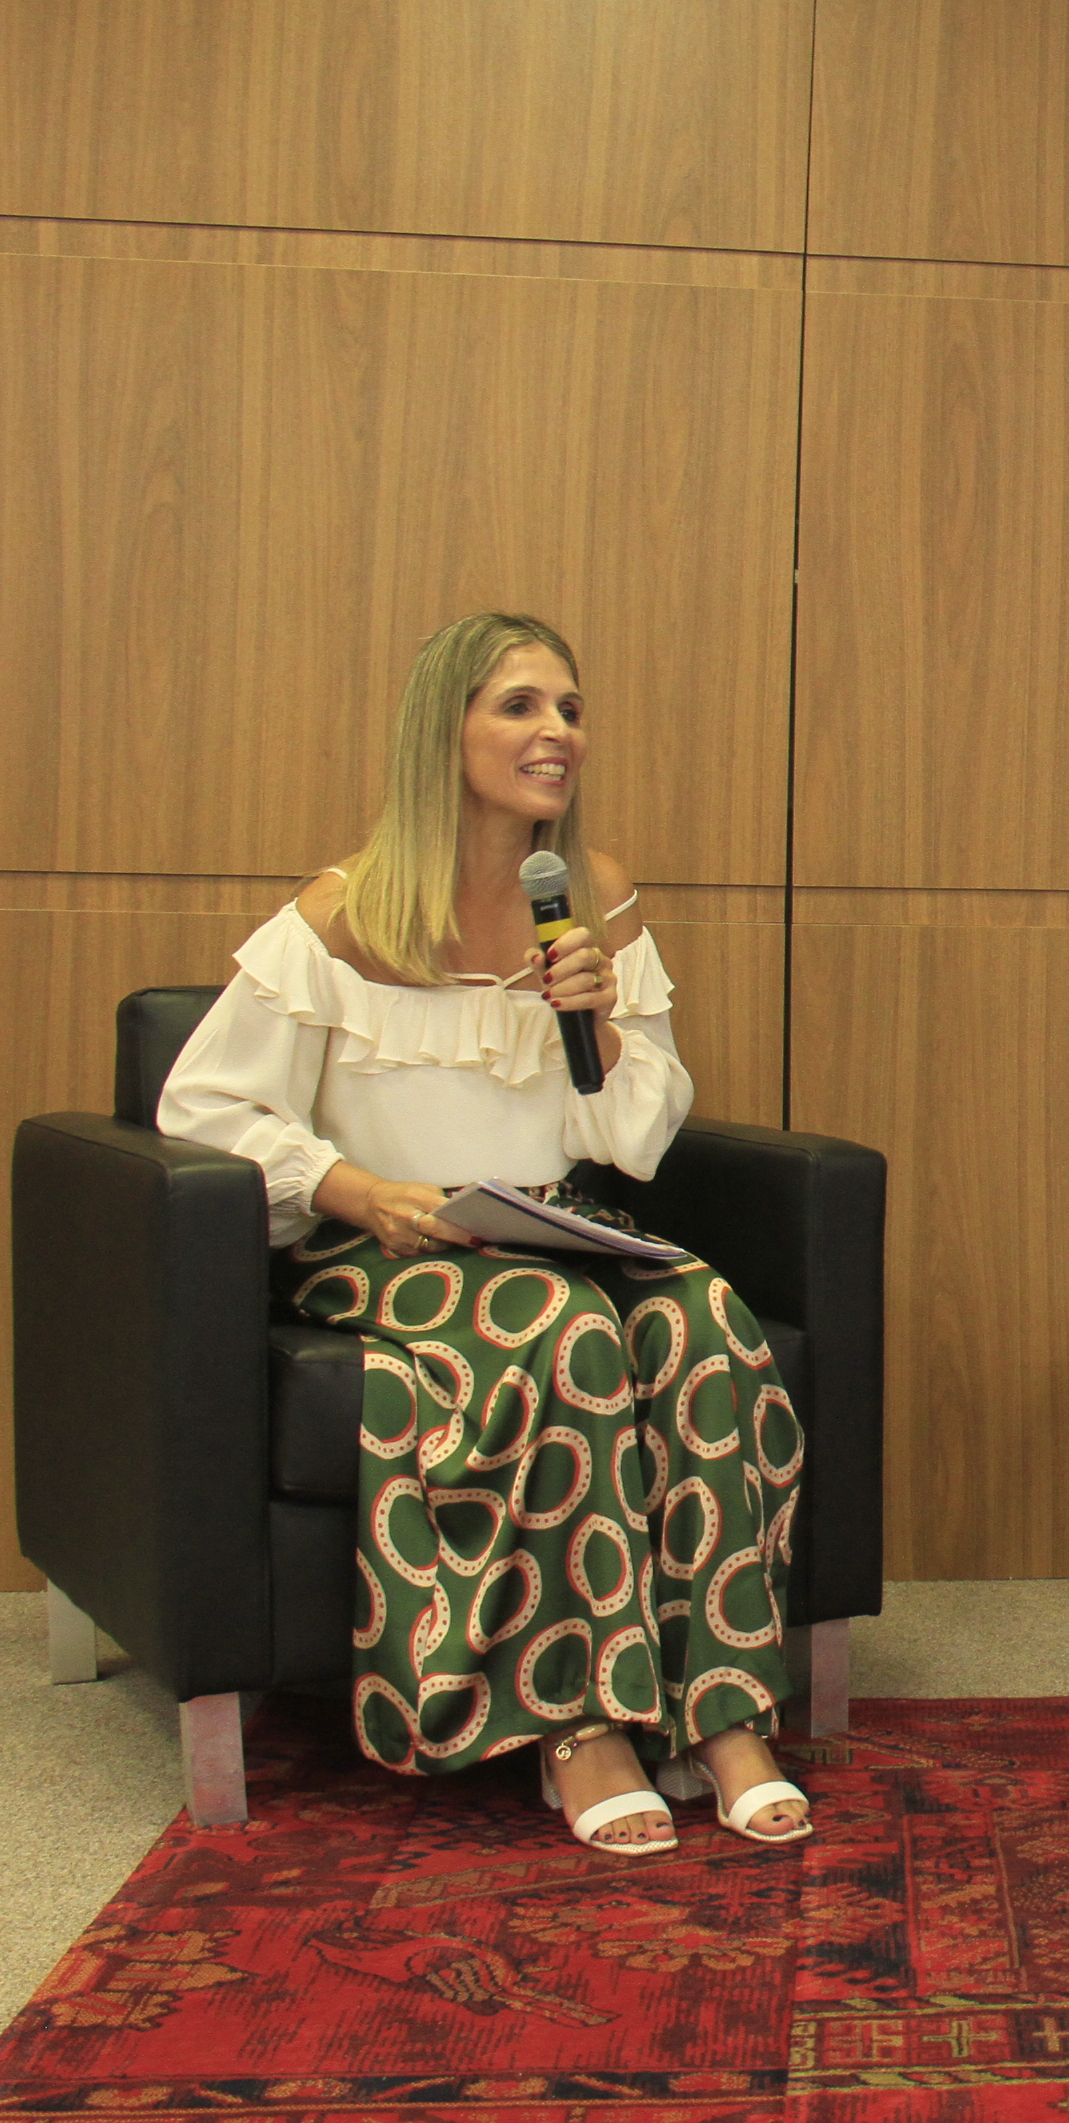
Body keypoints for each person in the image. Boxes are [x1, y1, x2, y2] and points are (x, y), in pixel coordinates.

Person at [158, 613, 815, 1856]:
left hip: (553, 1226)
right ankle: (578, 1727)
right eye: (520, 705)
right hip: (389, 1245)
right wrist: (351, 1189)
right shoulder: (342, 911)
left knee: (703, 1315)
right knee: (560, 1329)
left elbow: (639, 1135)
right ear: (443, 728)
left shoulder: (594, 900)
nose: (556, 733)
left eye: (569, 708)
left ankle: (724, 1710)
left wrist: (612, 1026)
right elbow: (203, 1109)